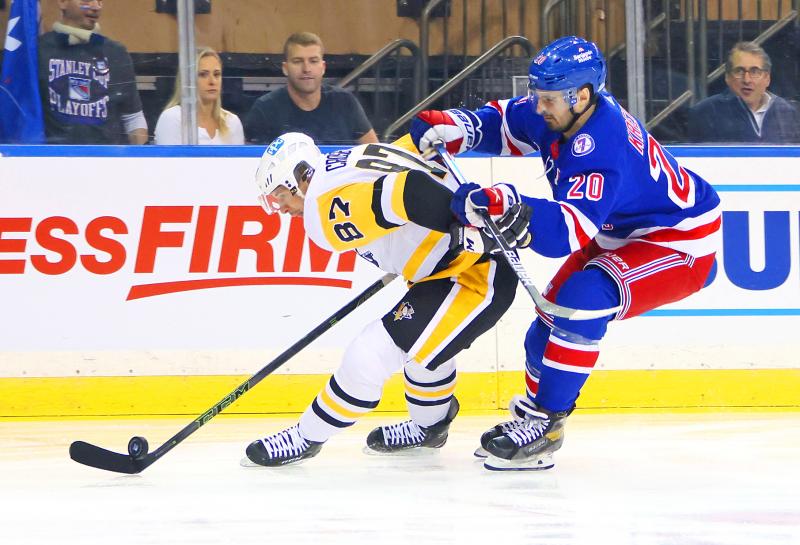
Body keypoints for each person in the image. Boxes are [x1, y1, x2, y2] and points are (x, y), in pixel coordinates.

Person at [411, 36, 722, 471]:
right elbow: (507, 123)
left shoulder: (603, 144)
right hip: (623, 231)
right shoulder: (562, 108)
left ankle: (547, 425)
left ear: (582, 94)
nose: (540, 106)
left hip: (679, 240)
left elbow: (564, 233)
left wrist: (507, 202)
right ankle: (533, 418)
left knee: (581, 303)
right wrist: (455, 125)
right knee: (546, 325)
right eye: (538, 95)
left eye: (548, 99)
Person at [243, 132, 526, 467]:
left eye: (279, 195)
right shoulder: (349, 157)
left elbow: (411, 192)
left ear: (296, 179)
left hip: (475, 275)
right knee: (425, 348)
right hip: (450, 272)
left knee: (370, 354)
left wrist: (466, 229)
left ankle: (307, 437)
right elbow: (419, 147)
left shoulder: (321, 210)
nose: (282, 208)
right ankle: (430, 428)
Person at [38, 0, 148, 144]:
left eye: (99, 1)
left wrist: (141, 158)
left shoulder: (115, 52)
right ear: (62, 2)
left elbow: (133, 117)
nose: (96, 7)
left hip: (106, 160)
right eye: (86, 1)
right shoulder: (38, 50)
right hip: (52, 160)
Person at [244, 32, 379, 145]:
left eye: (313, 61)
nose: (306, 69)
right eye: (298, 61)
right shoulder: (265, 109)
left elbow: (375, 153)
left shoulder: (345, 103)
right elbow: (248, 163)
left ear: (323, 67)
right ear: (285, 68)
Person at [688, 41, 800, 143]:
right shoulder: (706, 112)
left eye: (755, 71)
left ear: (767, 78)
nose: (747, 80)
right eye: (739, 71)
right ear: (727, 77)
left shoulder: (786, 111)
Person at [154, 47, 244, 145]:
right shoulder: (172, 118)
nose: (212, 81)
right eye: (203, 75)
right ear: (187, 80)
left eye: (217, 74)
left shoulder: (232, 122)